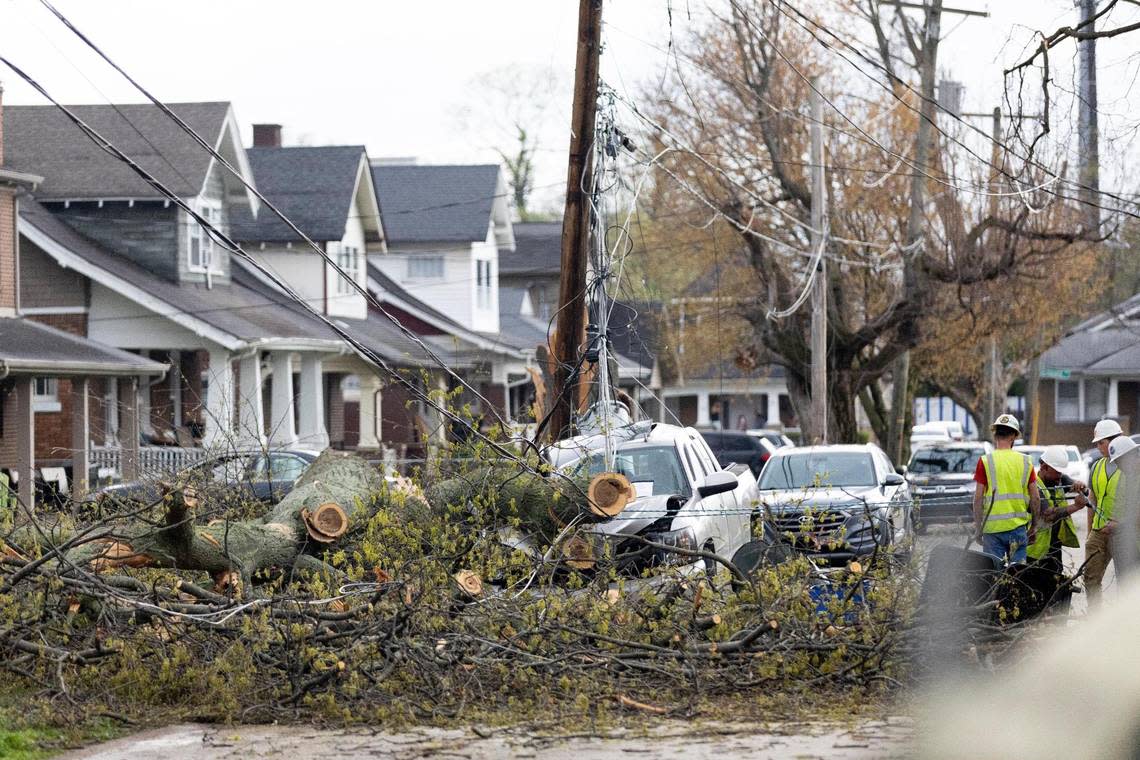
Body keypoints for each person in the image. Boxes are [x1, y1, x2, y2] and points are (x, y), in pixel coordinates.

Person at [972, 414, 1040, 563]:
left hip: (992, 530)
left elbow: (977, 499)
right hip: (1017, 528)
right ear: (1014, 436)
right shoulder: (1025, 461)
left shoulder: (985, 461)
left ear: (995, 435)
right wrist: (1034, 526)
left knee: (995, 577)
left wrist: (978, 528)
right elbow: (1035, 497)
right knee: (1017, 576)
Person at [1028, 445, 1085, 577]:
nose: (1060, 475)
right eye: (1057, 471)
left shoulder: (1059, 480)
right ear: (1043, 467)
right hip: (1034, 551)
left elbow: (1077, 486)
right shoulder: (1034, 486)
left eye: (1061, 472)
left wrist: (1080, 485)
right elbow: (1049, 515)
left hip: (1054, 547)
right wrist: (1076, 506)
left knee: (1055, 584)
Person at [1085, 419, 1124, 604]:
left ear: (1115, 440)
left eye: (1101, 442)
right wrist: (1089, 531)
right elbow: (1092, 500)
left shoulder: (1132, 466)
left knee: (1127, 582)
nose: (1098, 447)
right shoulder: (1097, 466)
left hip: (1124, 533)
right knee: (1091, 578)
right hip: (1099, 532)